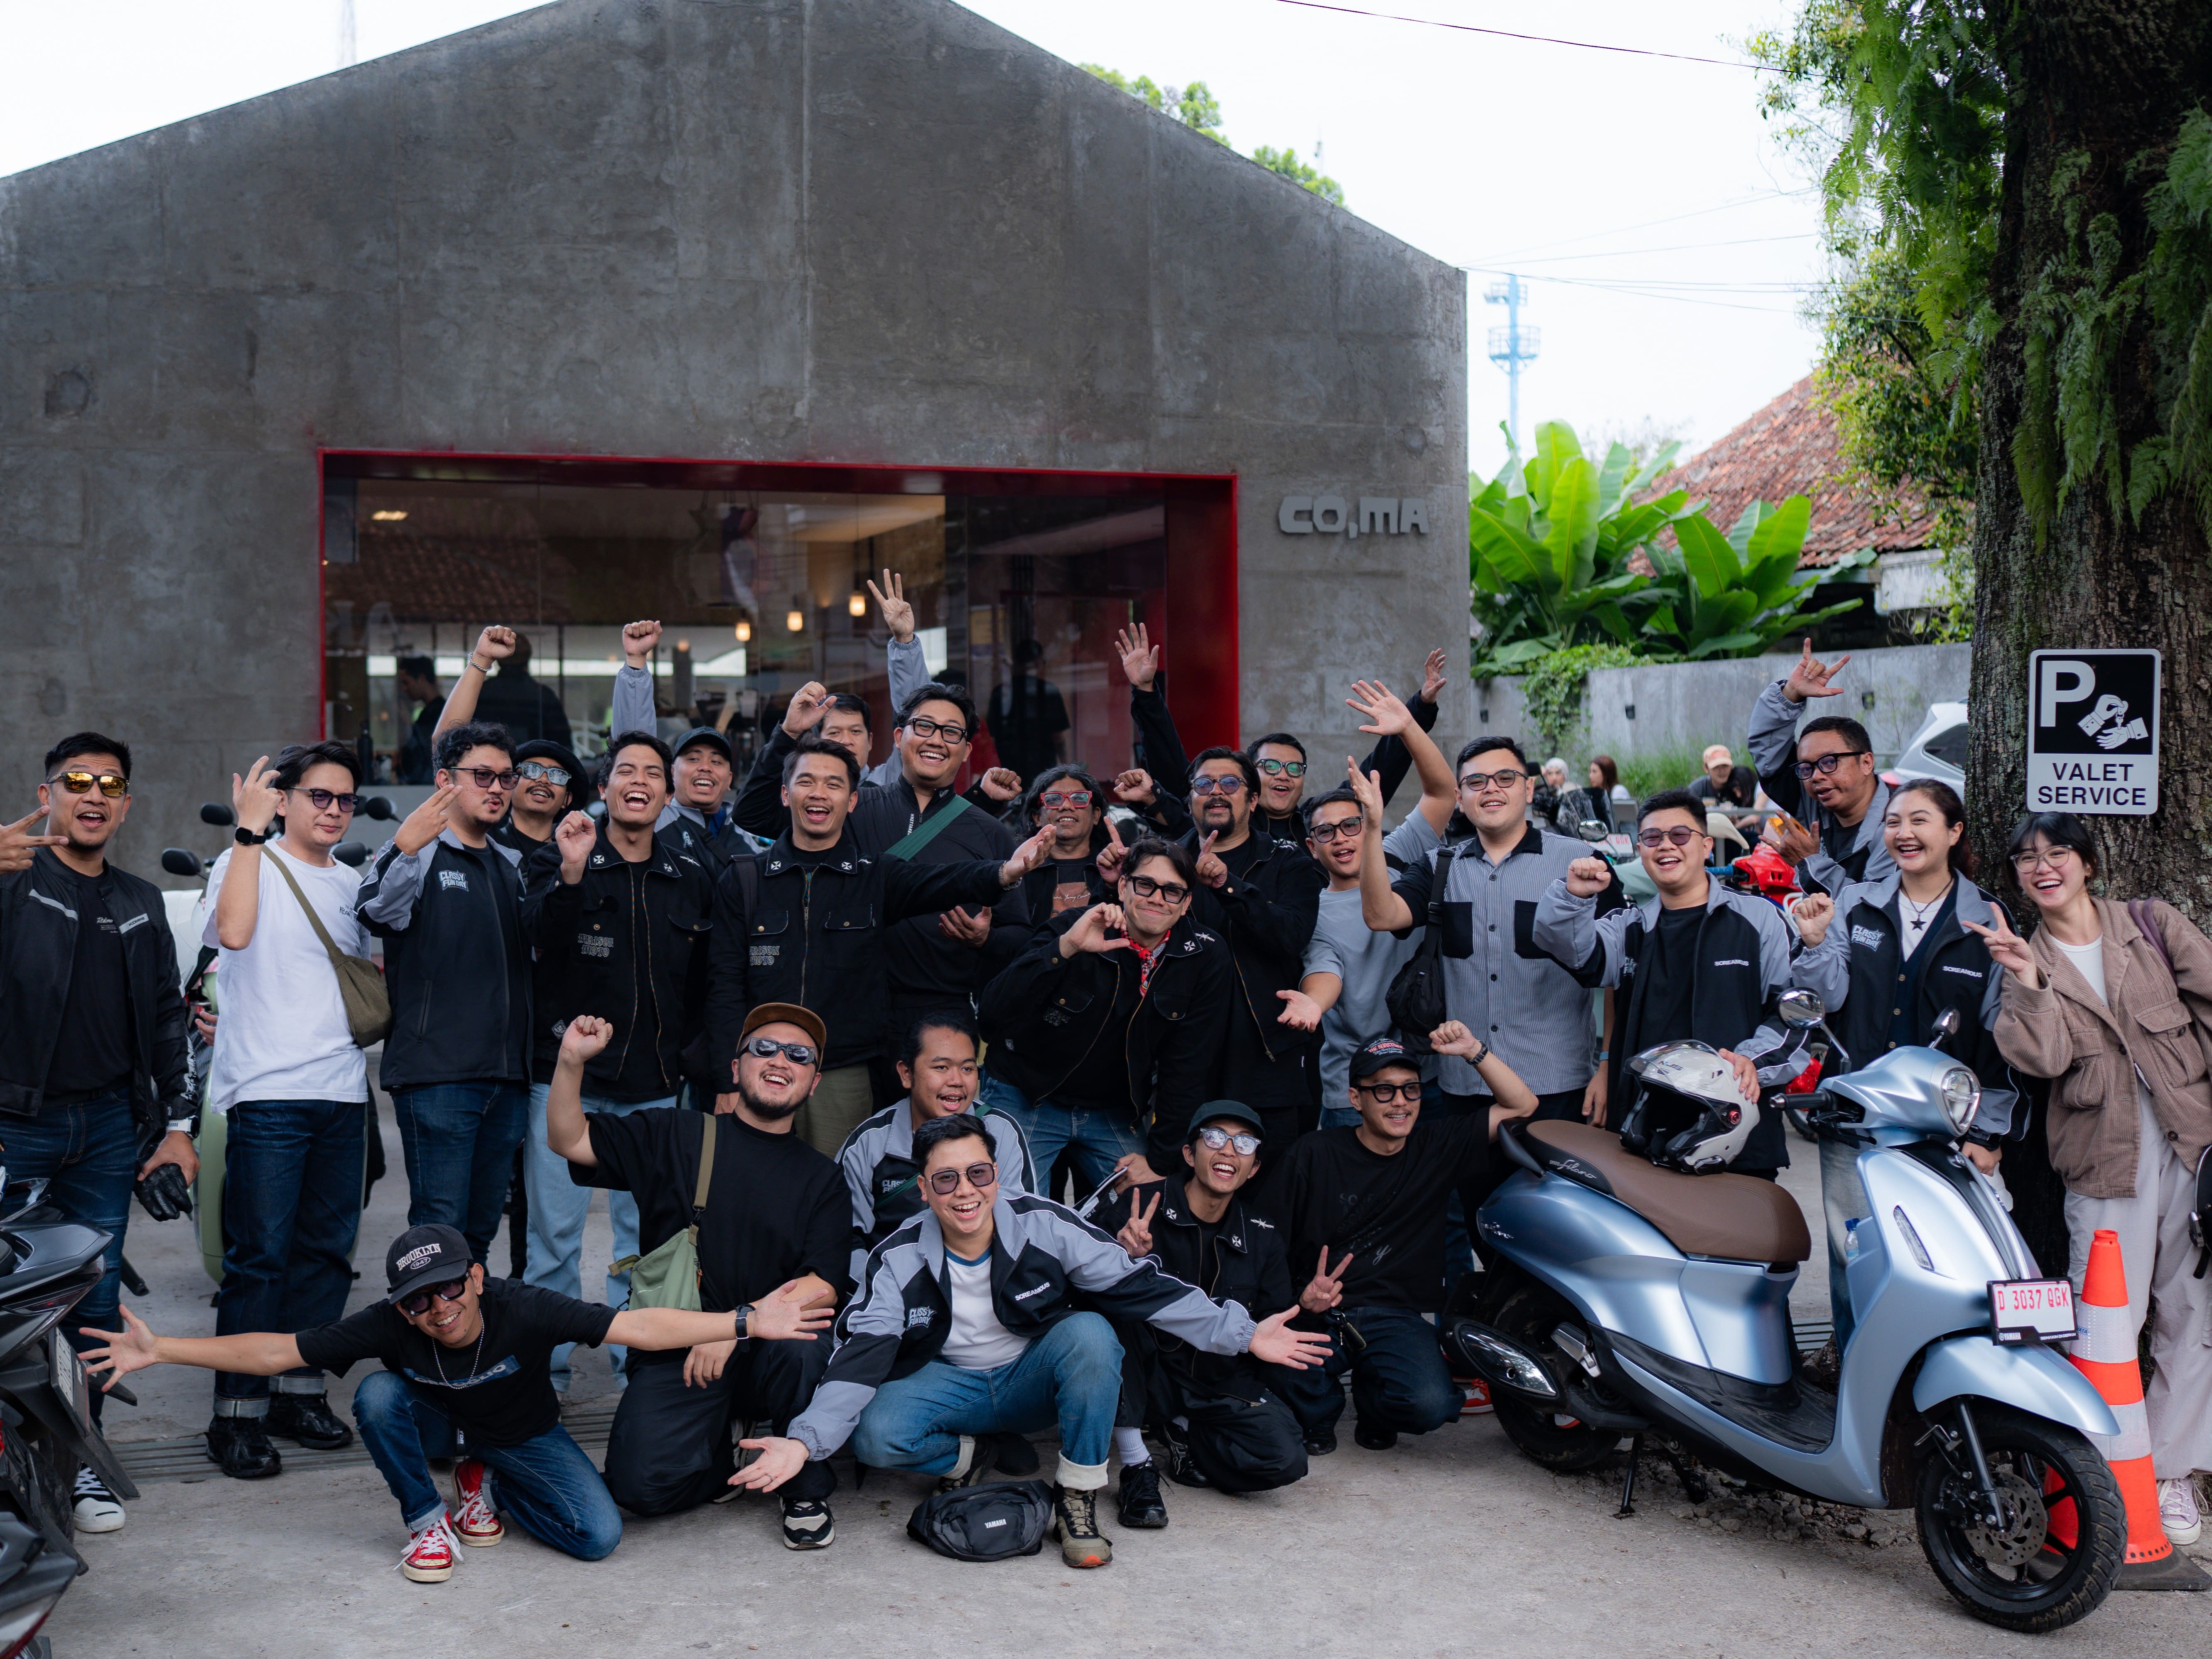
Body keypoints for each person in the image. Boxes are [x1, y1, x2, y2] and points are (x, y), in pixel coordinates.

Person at [730, 1112, 1331, 1568]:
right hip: (950, 1385)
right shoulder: (898, 1258)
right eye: (946, 1179)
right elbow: (860, 1355)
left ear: (997, 1175)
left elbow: (1139, 1285)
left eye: (978, 1173)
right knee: (874, 1433)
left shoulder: (1045, 1223)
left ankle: (1076, 1497)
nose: (965, 1191)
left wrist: (1242, 1333)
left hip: (1030, 1381)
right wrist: (804, 1442)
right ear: (923, 1189)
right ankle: (969, 1456)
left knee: (1091, 1333)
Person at [79, 1223, 817, 1581]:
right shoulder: (389, 1323)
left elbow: (639, 1326)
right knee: (377, 1392)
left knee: (598, 1535)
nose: (439, 1307)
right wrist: (163, 1347)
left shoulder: (524, 1307)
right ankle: (426, 1520)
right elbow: (278, 1351)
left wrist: (743, 1322)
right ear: (401, 1304)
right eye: (419, 1299)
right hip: (436, 1424)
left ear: (478, 1276)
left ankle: (485, 1484)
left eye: (451, 1287)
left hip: (521, 1434)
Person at [1970, 812, 2212, 1548]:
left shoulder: (2152, 925)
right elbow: (2041, 1059)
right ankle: (2108, 1474)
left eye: (2058, 852)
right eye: (2026, 859)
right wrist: (2027, 979)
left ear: (2088, 862)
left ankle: (2171, 1472)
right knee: (2106, 1320)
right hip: (2104, 1159)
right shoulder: (2025, 956)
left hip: (2191, 1145)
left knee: (2193, 1311)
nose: (2043, 866)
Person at [545, 1008, 852, 1543]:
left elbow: (823, 1282)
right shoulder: (676, 1133)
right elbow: (570, 1141)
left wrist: (740, 1324)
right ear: (735, 1067)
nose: (781, 1060)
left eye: (799, 1055)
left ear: (814, 1082)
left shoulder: (822, 1177)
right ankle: (723, 1452)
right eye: (764, 1048)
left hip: (768, 1353)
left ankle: (803, 1486)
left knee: (805, 1342)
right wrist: (571, 1061)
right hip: (681, 1347)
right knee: (639, 1487)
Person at [0, 732, 196, 1532]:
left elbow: (167, 1019)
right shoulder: (11, 881)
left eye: (110, 784)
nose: (93, 794)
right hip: (13, 1123)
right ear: (46, 794)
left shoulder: (141, 900)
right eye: (76, 780)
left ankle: (81, 1460)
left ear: (126, 805)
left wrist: (177, 1126)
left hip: (110, 1127)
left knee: (95, 1299)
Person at [704, 736, 1053, 1157]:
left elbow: (944, 881)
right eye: (807, 782)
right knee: (749, 1183)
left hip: (842, 1072)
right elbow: (723, 986)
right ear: (785, 794)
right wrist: (727, 1078)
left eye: (834, 784)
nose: (819, 793)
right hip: (760, 1064)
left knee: (834, 1188)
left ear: (852, 801)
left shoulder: (876, 876)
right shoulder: (744, 879)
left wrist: (1005, 872)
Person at [1788, 779, 2020, 1353]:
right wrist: (1815, 943)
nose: (1904, 833)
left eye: (1920, 820)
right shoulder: (1856, 904)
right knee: (1853, 1253)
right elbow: (1828, 997)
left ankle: (1933, 1373)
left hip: (1945, 1130)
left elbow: (2003, 1035)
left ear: (1954, 831)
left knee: (1941, 1256)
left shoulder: (1987, 918)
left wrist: (1988, 1132)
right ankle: (1855, 1367)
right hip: (1856, 1119)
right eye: (1893, 822)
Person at [199, 744, 375, 1480]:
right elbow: (233, 934)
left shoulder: (354, 882)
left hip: (343, 1090)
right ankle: (236, 1414)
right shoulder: (247, 859)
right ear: (286, 800)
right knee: (259, 1260)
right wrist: (248, 831)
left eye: (345, 799)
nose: (333, 809)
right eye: (318, 795)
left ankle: (299, 1395)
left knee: (325, 1257)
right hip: (268, 1091)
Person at [520, 733, 714, 1394]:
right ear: (603, 789)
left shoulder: (690, 875)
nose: (639, 781)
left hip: (652, 1090)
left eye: (653, 773)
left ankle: (641, 1374)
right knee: (553, 1240)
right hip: (566, 1084)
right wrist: (572, 873)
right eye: (625, 770)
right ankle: (546, 1378)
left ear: (667, 792)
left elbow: (705, 984)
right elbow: (536, 938)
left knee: (644, 1242)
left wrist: (691, 1062)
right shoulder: (560, 857)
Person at [1273, 1030, 1538, 1453]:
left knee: (1430, 1405)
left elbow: (1522, 1105)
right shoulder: (1313, 1152)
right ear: (1356, 1099)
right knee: (1271, 1371)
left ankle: (1375, 1407)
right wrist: (1298, 1298)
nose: (1400, 1101)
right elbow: (1269, 1237)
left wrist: (1473, 1051)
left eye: (1410, 1089)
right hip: (1317, 1308)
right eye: (1384, 1090)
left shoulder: (1435, 1147)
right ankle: (1318, 1415)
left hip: (1393, 1314)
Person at [1533, 788, 1812, 1176]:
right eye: (1652, 837)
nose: (1666, 845)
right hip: (1643, 1131)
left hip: (1736, 1134)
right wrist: (1572, 898)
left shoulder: (1760, 919)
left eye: (1680, 835)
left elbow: (1795, 1012)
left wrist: (1752, 1061)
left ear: (1706, 846)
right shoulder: (1628, 927)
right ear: (1641, 850)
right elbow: (1573, 953)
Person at [1355, 736, 1618, 1131]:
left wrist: (1607, 1065)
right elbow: (1380, 915)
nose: (1490, 789)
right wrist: (1373, 827)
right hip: (1465, 1085)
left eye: (1505, 778)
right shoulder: (1439, 867)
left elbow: (1617, 971)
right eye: (1476, 782)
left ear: (1528, 789)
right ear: (1459, 799)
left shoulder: (1581, 861)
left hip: (1559, 1083)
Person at [358, 722, 535, 1261]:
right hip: (438, 1078)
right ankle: (429, 1321)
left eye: (506, 777)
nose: (497, 787)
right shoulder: (420, 852)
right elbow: (374, 910)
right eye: (482, 775)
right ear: (445, 780)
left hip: (506, 1078)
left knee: (480, 1231)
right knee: (439, 1232)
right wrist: (404, 847)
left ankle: (468, 1321)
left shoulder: (511, 863)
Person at [979, 837, 1234, 1201]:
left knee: (1151, 1208)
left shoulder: (1204, 955)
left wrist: (1160, 1161)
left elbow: (1190, 1064)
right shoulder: (1077, 925)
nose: (1157, 898)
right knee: (1010, 1211)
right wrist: (1067, 947)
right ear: (1124, 886)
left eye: (1172, 891)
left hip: (1111, 1111)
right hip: (1027, 1094)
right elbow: (992, 1012)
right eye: (1145, 885)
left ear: (1186, 903)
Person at [1092, 1101, 1311, 1524]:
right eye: (1215, 1138)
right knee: (1112, 1315)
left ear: (1254, 1168)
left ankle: (1183, 1432)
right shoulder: (1139, 1206)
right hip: (1143, 1371)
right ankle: (1137, 1464)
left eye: (1243, 1144)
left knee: (1285, 1458)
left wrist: (1305, 1306)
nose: (1228, 1150)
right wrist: (1123, 1258)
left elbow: (1271, 1324)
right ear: (1190, 1154)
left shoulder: (1262, 1233)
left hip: (1212, 1382)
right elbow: (1083, 1289)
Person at [1281, 680, 1458, 1129]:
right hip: (1357, 1087)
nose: (1341, 838)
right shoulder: (1315, 911)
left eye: (1351, 825)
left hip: (1428, 1074)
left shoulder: (1398, 853)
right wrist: (1313, 1005)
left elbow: (1442, 794)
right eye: (1326, 832)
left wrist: (1409, 726)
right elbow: (1325, 973)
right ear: (1312, 847)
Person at [847, 682, 1033, 1077]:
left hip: (947, 1016)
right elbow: (760, 820)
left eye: (951, 732)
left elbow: (1020, 938)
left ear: (966, 750)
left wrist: (985, 939)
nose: (936, 740)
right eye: (925, 726)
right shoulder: (855, 807)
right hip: (852, 1010)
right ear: (899, 737)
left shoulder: (991, 833)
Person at [1155, 746, 1323, 1160]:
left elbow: (1292, 936)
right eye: (1204, 784)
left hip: (1267, 1061)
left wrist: (1228, 886)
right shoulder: (1162, 865)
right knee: (1182, 1180)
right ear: (1189, 800)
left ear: (1252, 800)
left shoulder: (1288, 861)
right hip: (1182, 1062)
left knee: (1274, 1186)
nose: (1216, 792)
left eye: (1230, 783)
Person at [1116, 623, 1450, 828]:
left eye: (1294, 769)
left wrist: (1417, 710)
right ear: (1249, 779)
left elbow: (1379, 773)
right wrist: (1145, 693)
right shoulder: (1218, 824)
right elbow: (1175, 776)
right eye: (1271, 766)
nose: (1283, 775)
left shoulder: (1321, 827)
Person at [835, 1014, 1033, 1281]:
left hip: (987, 1283)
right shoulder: (869, 1144)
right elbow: (846, 1241)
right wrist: (885, 1290)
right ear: (907, 1074)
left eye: (968, 1068)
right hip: (894, 1286)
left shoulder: (1000, 1131)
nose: (957, 1081)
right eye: (941, 1067)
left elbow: (1021, 1223)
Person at [426, 625, 595, 857]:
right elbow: (446, 744)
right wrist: (482, 659)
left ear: (568, 798)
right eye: (531, 770)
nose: (543, 780)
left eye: (557, 775)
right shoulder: (480, 837)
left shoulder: (581, 854)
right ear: (509, 784)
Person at [1747, 639, 1895, 896]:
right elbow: (1768, 753)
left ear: (1866, 763)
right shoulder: (1815, 806)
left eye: (1829, 762)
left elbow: (1876, 908)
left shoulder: (1900, 825)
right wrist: (1790, 695)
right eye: (1806, 768)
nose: (1816, 777)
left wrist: (1810, 862)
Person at [467, 627, 572, 749]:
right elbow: (563, 746)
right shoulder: (544, 696)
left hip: (487, 760)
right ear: (528, 658)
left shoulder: (481, 692)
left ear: (499, 660)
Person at [987, 638, 1071, 784]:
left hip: (1008, 768)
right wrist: (1067, 768)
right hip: (1043, 767)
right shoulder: (1049, 691)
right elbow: (1058, 737)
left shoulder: (1001, 693)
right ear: (1039, 662)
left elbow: (992, 738)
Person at [395, 654, 444, 784]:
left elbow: (425, 753)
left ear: (422, 679)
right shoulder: (431, 712)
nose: (405, 689)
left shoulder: (435, 714)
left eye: (406, 682)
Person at [1688, 742, 1760, 813]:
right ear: (1706, 768)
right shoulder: (1697, 789)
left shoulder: (1742, 782)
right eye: (1716, 767)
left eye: (1725, 766)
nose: (1722, 771)